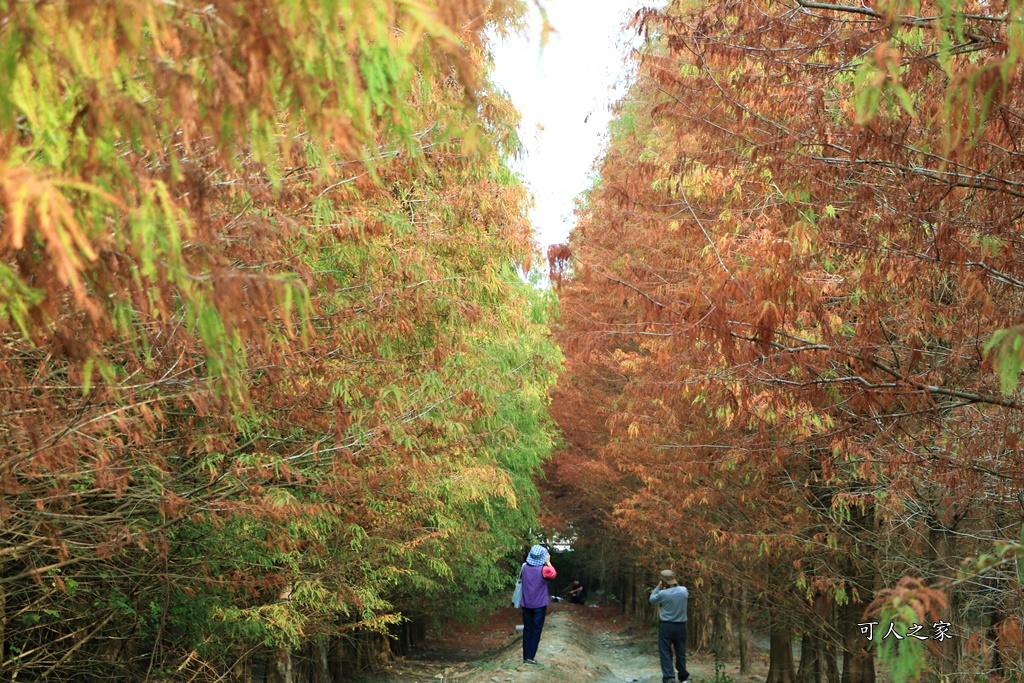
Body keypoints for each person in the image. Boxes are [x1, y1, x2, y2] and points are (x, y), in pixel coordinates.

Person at [650, 569, 689, 683]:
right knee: (680, 651)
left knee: (665, 651)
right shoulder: (684, 591)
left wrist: (658, 587)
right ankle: (683, 677)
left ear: (663, 581)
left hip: (667, 626)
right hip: (681, 626)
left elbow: (652, 599)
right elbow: (680, 590)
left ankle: (669, 677)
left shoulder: (662, 594)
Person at [520, 544, 556, 664]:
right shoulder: (544, 570)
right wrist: (548, 562)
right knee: (536, 630)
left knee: (527, 630)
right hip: (539, 605)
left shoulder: (524, 567)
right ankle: (530, 657)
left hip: (526, 603)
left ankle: (525, 657)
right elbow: (554, 573)